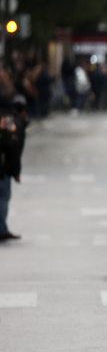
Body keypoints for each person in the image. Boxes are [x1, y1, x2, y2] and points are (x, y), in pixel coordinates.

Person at [0, 92, 27, 241]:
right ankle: (1, 230)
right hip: (3, 168)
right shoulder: (9, 121)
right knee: (2, 198)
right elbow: (13, 147)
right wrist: (16, 172)